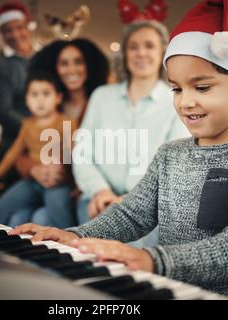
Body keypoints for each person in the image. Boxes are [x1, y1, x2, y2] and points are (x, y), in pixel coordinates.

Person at [9, 0, 228, 300]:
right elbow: (132, 215)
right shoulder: (170, 154)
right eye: (176, 89)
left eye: (201, 88)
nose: (185, 102)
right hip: (175, 291)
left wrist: (154, 260)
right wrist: (76, 235)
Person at [72, 20, 189, 247]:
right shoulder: (101, 96)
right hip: (97, 200)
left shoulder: (177, 101)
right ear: (125, 54)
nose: (141, 53)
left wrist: (129, 201)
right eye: (133, 47)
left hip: (147, 207)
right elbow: (81, 153)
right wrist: (101, 191)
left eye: (149, 46)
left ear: (163, 53)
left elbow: (173, 166)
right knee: (90, 253)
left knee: (126, 257)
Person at [7, 39, 110, 225]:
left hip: (85, 190)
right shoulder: (44, 100)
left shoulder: (102, 102)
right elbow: (20, 152)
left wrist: (79, 179)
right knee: (18, 218)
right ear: (55, 67)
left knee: (41, 218)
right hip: (45, 187)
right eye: (64, 63)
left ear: (89, 65)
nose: (71, 69)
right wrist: (34, 169)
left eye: (78, 61)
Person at [0, 70, 77, 228]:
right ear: (27, 99)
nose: (40, 100)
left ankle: (70, 243)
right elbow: (14, 152)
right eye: (34, 94)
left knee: (60, 215)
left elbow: (72, 151)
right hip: (32, 181)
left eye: (46, 94)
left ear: (58, 98)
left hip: (57, 182)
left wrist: (60, 167)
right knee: (3, 206)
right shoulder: (27, 125)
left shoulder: (67, 122)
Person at [0, 1, 36, 161]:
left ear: (28, 26)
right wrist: (38, 130)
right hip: (16, 148)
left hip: (51, 146)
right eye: (7, 30)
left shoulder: (45, 56)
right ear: (1, 34)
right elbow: (3, 111)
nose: (15, 35)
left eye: (19, 27)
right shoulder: (0, 66)